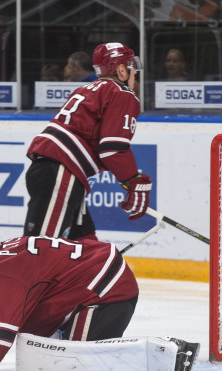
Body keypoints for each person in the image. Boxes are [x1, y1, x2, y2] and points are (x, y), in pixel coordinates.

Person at [0, 219, 200, 371]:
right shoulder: (12, 249)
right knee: (50, 351)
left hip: (105, 290)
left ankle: (172, 354)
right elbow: (34, 314)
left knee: (78, 368)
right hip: (102, 279)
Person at [24, 42, 151, 241]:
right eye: (131, 67)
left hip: (53, 168)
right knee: (40, 250)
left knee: (84, 244)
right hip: (61, 171)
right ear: (120, 70)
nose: (135, 72)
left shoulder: (86, 89)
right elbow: (112, 149)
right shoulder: (122, 93)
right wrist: (134, 181)